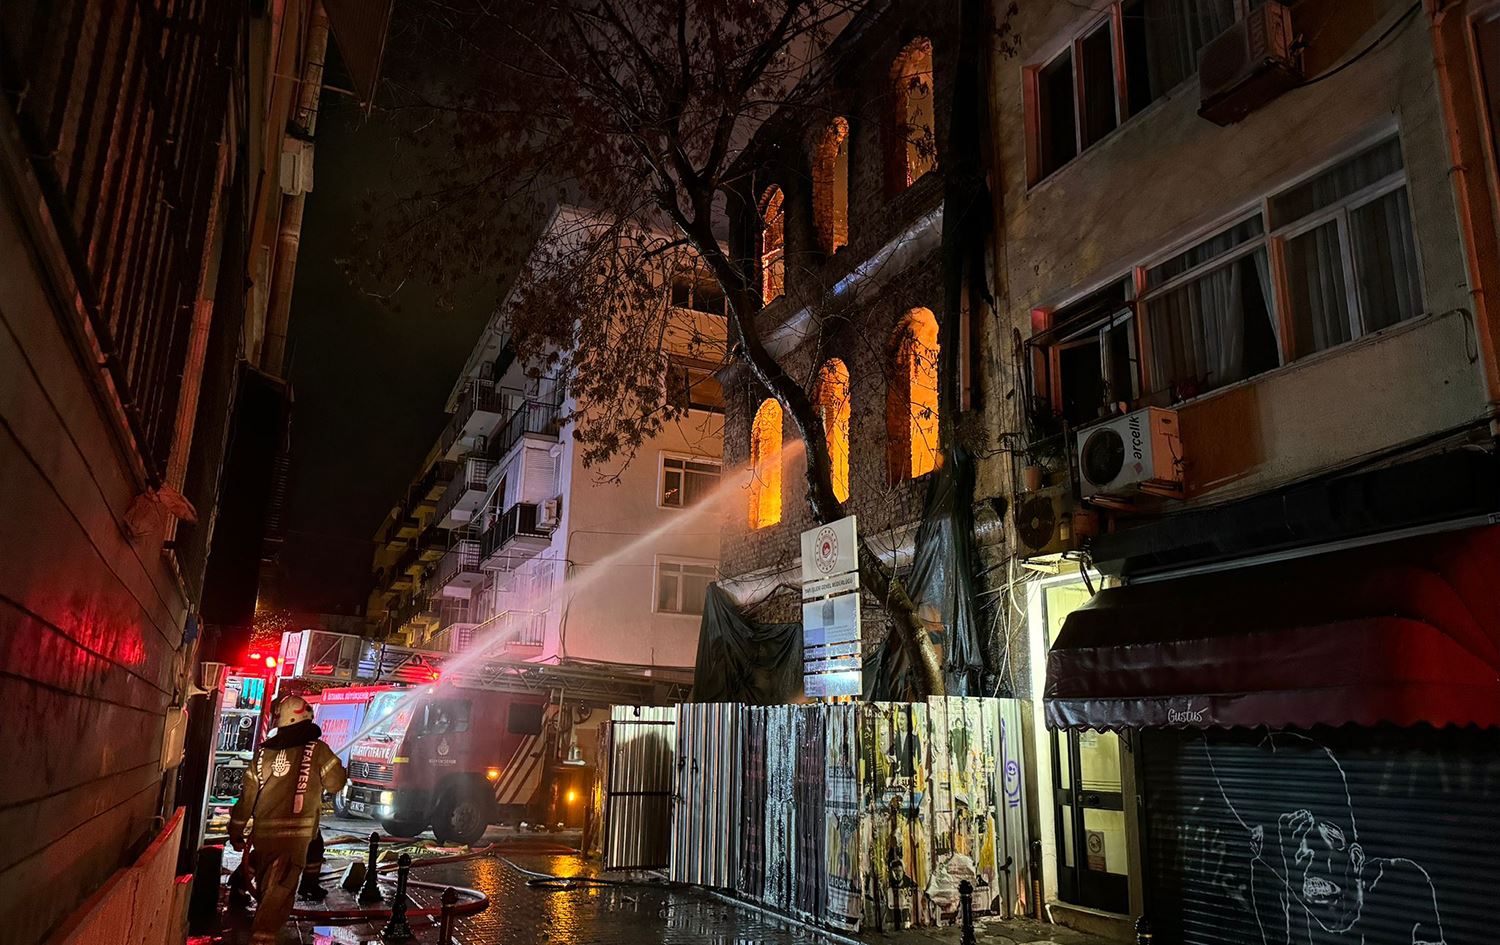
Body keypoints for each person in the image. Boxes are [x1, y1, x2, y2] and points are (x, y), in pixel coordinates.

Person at [229, 695, 347, 944]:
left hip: (264, 834)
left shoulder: (263, 754)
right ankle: (262, 938)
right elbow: (336, 783)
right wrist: (338, 772)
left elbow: (247, 798)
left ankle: (240, 892)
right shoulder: (317, 750)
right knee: (279, 890)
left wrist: (235, 830)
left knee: (267, 882)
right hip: (297, 837)